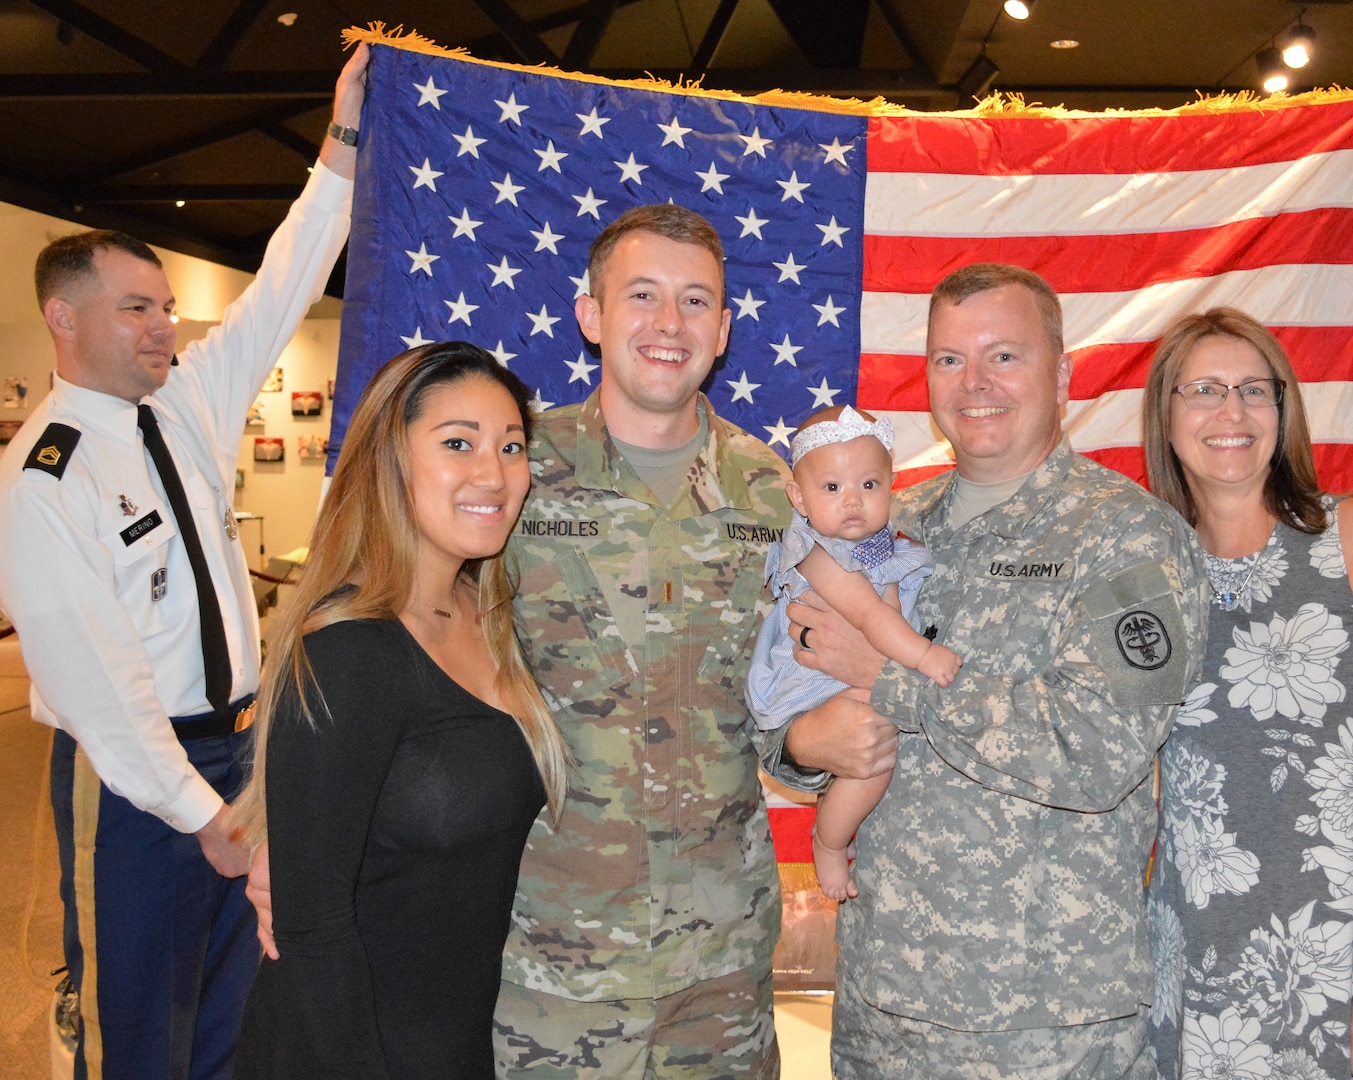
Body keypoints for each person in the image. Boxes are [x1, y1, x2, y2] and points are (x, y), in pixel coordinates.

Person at [251, 204, 799, 1078]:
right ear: (590, 315)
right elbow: (390, 654)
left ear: (725, 329)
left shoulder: (777, 494)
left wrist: (814, 748)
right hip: (546, 969)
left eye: (696, 301)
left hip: (718, 966)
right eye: (642, 295)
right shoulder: (514, 472)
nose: (669, 324)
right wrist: (298, 834)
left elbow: (791, 693)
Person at [0, 45, 367, 1080]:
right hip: (138, 786)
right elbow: (100, 690)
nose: (165, 325)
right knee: (139, 1022)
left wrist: (342, 150)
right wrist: (203, 815)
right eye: (135, 308)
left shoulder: (180, 407)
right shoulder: (41, 486)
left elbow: (278, 293)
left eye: (165, 305)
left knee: (231, 1014)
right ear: (64, 320)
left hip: (235, 756)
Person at [781, 263, 1207, 1077]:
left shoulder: (1127, 539)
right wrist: (805, 739)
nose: (972, 383)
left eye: (1002, 356)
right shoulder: (879, 526)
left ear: (1061, 374)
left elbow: (1097, 754)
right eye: (948, 359)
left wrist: (893, 680)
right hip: (884, 1002)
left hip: (1045, 1028)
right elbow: (791, 703)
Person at [1140, 308, 1353, 1080]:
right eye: (1202, 390)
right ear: (1164, 417)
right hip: (1198, 959)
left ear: (1282, 410)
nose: (1230, 412)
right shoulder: (1146, 572)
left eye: (1253, 390)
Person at [232, 343, 567, 1079]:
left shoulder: (492, 621)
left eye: (511, 447)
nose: (494, 472)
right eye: (458, 444)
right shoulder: (347, 652)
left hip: (458, 1038)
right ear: (389, 460)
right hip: (349, 1051)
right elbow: (312, 927)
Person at [746, 404, 957, 899]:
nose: (853, 502)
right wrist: (925, 659)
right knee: (875, 758)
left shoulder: (881, 544)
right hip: (813, 682)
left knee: (876, 756)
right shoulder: (815, 551)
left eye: (869, 485)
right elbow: (870, 617)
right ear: (798, 498)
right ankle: (828, 842)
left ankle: (833, 835)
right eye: (832, 488)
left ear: (891, 483)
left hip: (860, 671)